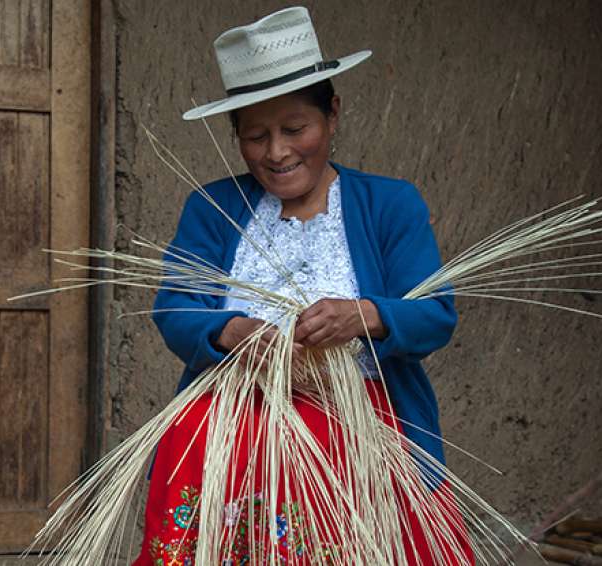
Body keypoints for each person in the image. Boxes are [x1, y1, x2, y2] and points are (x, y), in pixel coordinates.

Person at [135, 7, 472, 565]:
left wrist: (363, 315)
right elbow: (174, 311)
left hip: (361, 427)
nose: (277, 152)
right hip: (232, 420)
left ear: (333, 114)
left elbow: (435, 314)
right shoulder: (214, 207)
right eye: (255, 136)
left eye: (295, 129)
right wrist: (232, 331)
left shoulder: (389, 204)